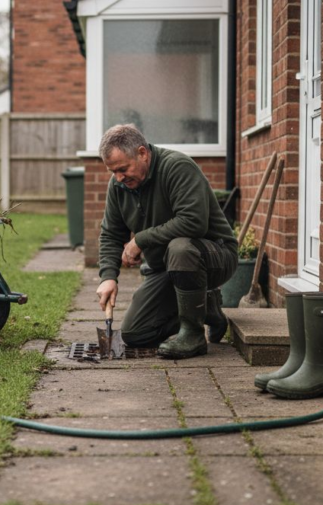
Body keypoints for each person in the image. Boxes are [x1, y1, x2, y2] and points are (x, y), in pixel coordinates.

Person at [95, 124, 238, 358]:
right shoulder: (119, 186)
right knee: (135, 334)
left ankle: (192, 334)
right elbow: (111, 233)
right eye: (113, 172)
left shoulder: (177, 167)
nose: (119, 178)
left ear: (142, 153)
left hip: (214, 257)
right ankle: (206, 308)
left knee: (180, 248)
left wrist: (139, 240)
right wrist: (108, 277)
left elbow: (193, 222)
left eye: (122, 169)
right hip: (167, 268)